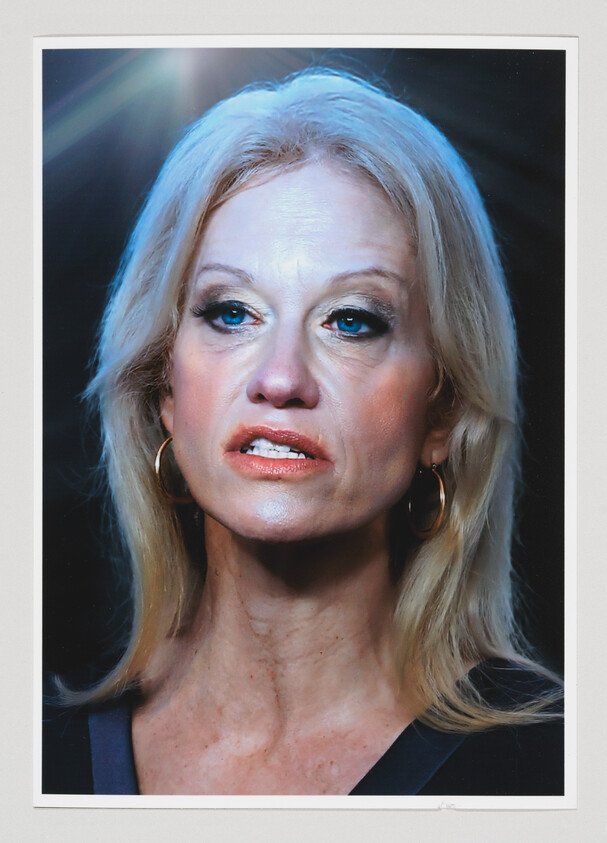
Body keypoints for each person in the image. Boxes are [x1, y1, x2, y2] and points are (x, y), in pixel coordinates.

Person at [43, 68, 563, 796]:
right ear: (165, 385)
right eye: (231, 312)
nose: (281, 378)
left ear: (441, 412)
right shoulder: (33, 759)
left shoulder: (561, 771)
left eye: (352, 319)